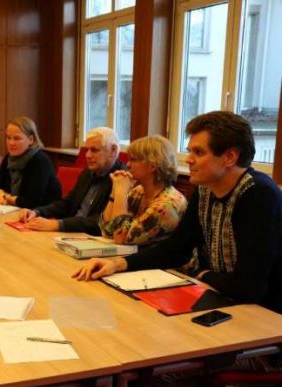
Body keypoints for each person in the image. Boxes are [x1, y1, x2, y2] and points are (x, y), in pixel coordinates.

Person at [74, 111, 282, 314]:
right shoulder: (205, 190)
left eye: (198, 153)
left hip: (265, 314)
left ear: (229, 157)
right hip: (223, 297)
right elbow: (176, 248)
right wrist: (118, 264)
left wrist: (203, 274)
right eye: (189, 151)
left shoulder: (259, 195)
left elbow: (250, 287)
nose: (189, 159)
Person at [19, 126, 126, 234]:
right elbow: (68, 203)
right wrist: (37, 212)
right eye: (87, 149)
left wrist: (58, 225)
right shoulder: (87, 173)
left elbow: (100, 221)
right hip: (71, 233)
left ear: (113, 150)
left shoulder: (121, 180)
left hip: (94, 239)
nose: (87, 155)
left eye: (94, 150)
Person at [99, 135, 187, 246]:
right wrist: (114, 192)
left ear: (153, 165)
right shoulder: (139, 192)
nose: (128, 164)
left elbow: (121, 237)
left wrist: (121, 192)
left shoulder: (167, 205)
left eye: (133, 160)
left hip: (163, 263)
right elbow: (106, 231)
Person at [0, 116, 61, 209]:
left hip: (42, 215)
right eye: (8, 137)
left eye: (17, 138)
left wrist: (5, 197)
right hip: (14, 209)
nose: (11, 143)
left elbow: (32, 202)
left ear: (31, 140)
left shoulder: (40, 161)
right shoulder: (8, 158)